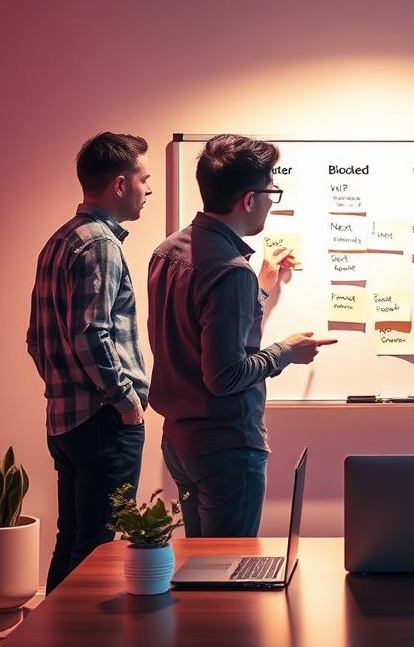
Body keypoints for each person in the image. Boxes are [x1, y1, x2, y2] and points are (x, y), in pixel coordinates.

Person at [148, 134, 336, 538]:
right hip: (225, 448)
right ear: (249, 199)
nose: (273, 201)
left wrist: (261, 289)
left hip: (181, 441)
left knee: (199, 571)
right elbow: (224, 375)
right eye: (272, 191)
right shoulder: (231, 271)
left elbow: (196, 334)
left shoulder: (168, 251)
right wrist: (286, 352)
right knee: (227, 575)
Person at [26, 132, 152, 593]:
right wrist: (123, 401)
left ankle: (56, 635)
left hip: (67, 421)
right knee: (100, 548)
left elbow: (37, 339)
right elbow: (91, 334)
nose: (148, 189)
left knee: (74, 540)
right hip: (103, 422)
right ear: (120, 185)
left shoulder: (59, 240)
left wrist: (64, 388)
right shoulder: (100, 244)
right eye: (144, 179)